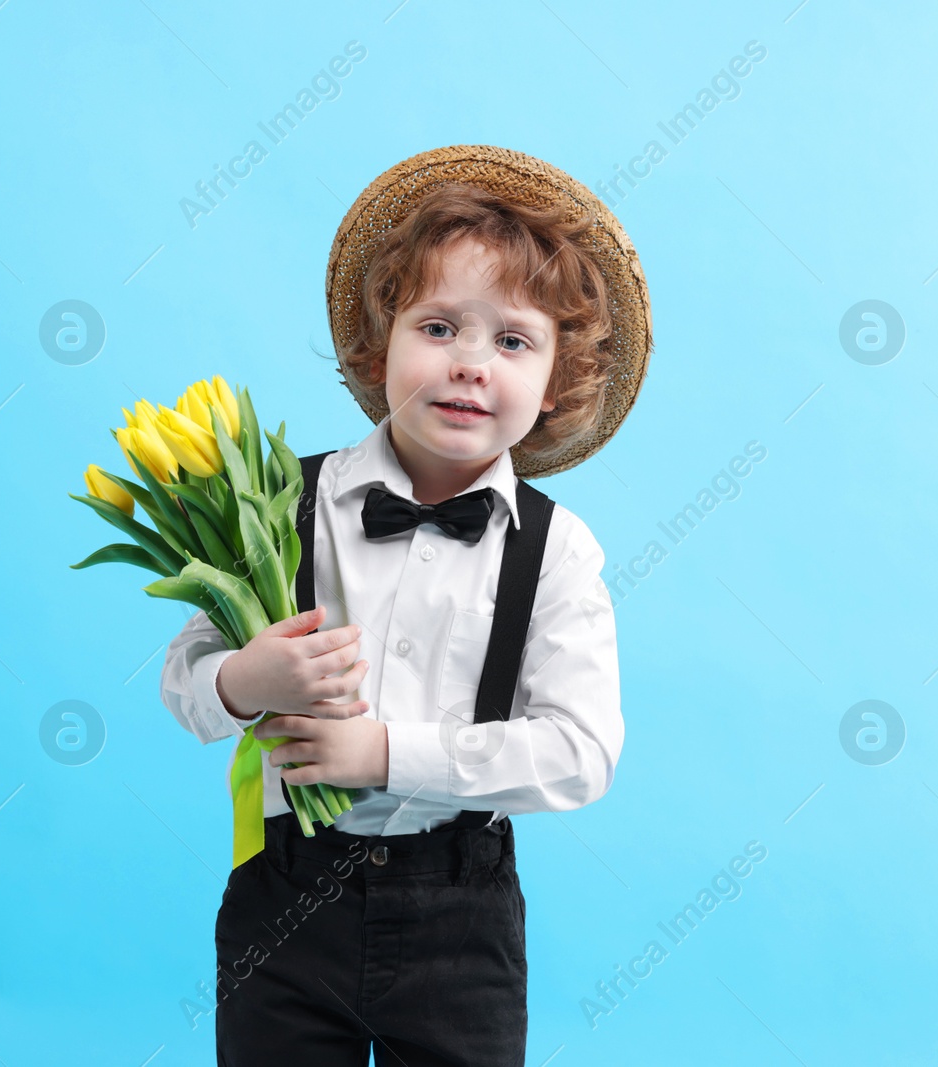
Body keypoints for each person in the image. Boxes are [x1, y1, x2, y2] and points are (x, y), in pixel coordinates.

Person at [159, 144, 654, 1066]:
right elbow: (183, 684)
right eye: (438, 328)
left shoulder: (557, 550)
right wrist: (239, 677)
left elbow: (581, 753)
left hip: (459, 918)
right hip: (284, 901)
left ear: (556, 384)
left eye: (512, 341)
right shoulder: (278, 504)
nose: (471, 364)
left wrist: (384, 752)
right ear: (378, 341)